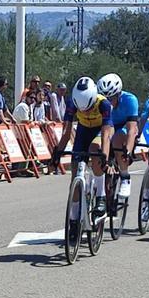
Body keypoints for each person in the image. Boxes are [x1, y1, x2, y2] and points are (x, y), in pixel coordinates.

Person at [51, 76, 113, 234]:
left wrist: (104, 156)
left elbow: (106, 135)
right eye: (82, 110)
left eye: (88, 108)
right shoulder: (72, 103)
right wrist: (57, 153)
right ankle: (73, 220)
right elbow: (66, 132)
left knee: (95, 148)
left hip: (101, 130)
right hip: (83, 131)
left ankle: (101, 197)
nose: (85, 111)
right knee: (75, 179)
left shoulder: (103, 104)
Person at [97, 73, 139, 198]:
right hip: (107, 125)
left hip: (124, 126)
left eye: (111, 98)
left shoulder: (130, 100)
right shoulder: (99, 102)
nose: (108, 103)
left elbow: (131, 129)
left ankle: (125, 177)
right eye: (105, 99)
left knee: (117, 139)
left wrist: (128, 151)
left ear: (119, 94)